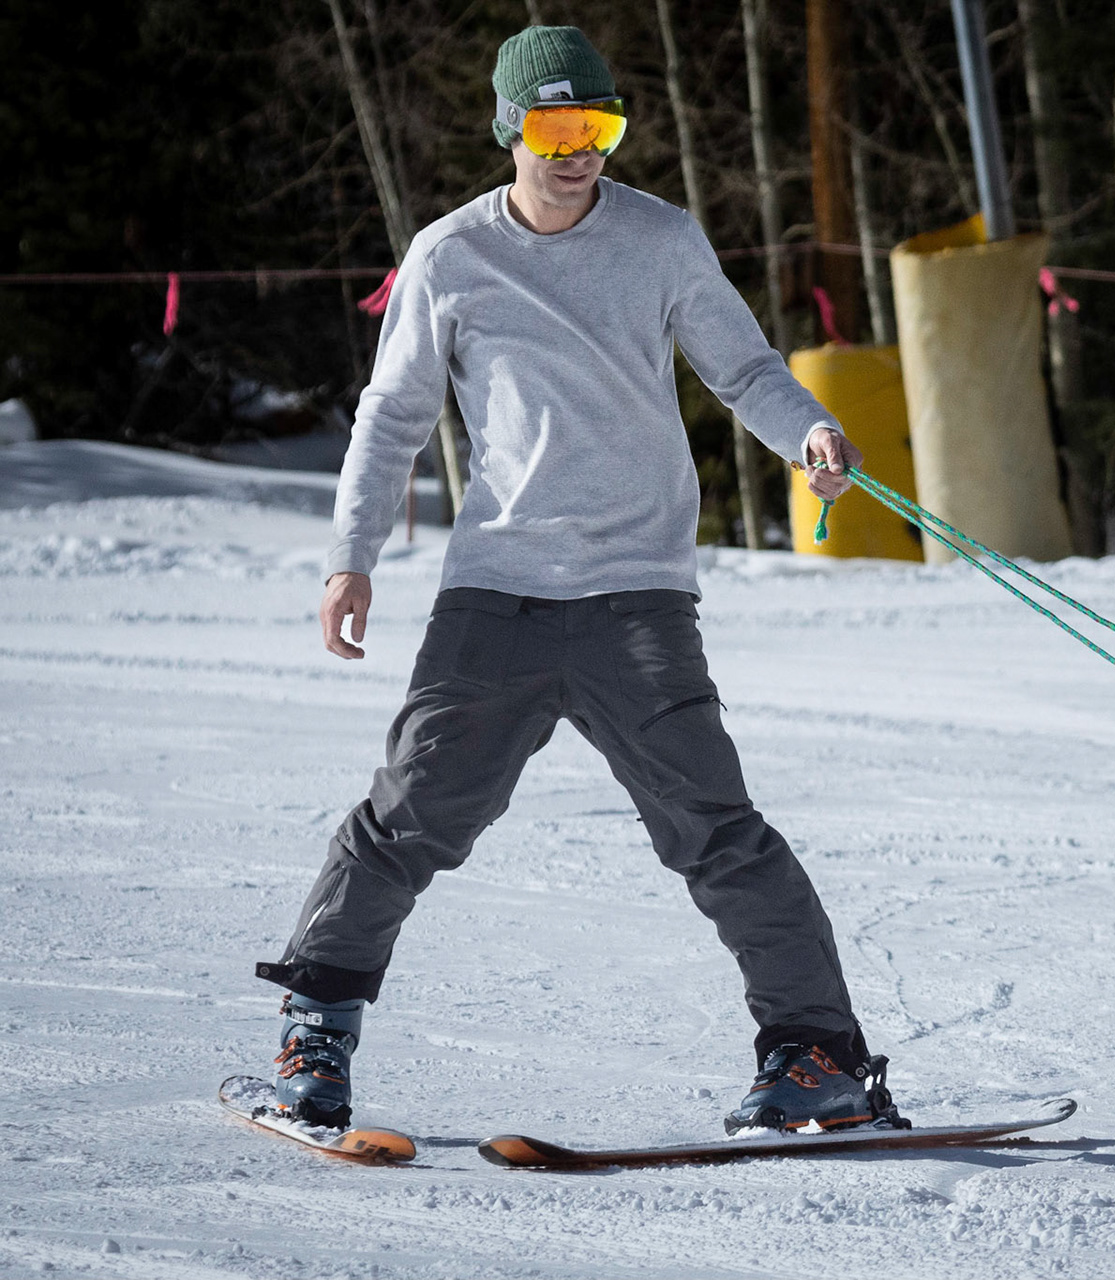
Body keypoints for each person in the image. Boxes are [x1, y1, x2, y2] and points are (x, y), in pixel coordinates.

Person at [256, 25, 889, 1137]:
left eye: (595, 128)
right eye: (553, 129)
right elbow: (393, 415)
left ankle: (816, 1056)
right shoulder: (451, 255)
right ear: (511, 130)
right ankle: (316, 1031)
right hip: (494, 592)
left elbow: (742, 368)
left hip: (637, 595)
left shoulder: (660, 239)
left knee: (716, 827)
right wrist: (349, 556)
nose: (575, 152)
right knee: (407, 814)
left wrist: (812, 434)